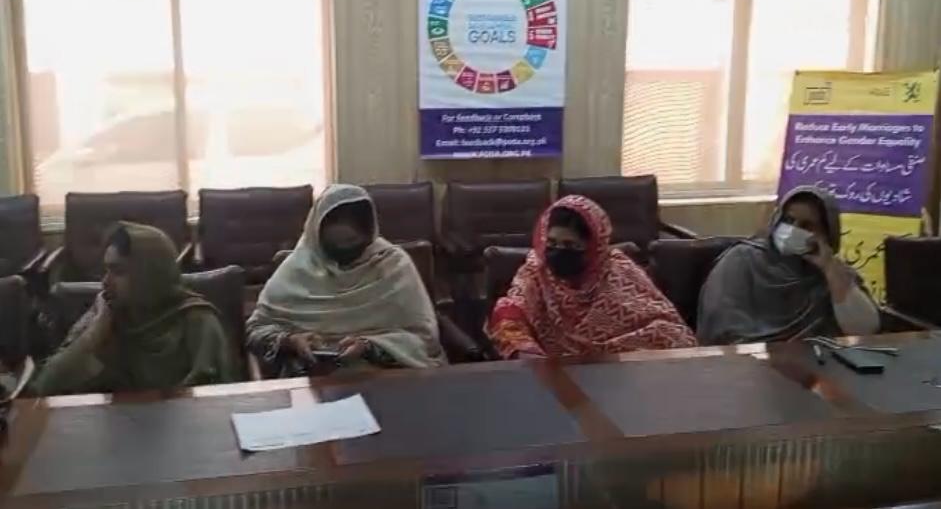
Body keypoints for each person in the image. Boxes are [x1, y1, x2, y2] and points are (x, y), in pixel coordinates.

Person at [246, 184, 444, 377]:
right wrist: (291, 341)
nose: (347, 254)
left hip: (386, 376)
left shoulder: (392, 264)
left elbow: (424, 338)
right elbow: (255, 330)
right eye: (337, 245)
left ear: (369, 232)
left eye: (353, 243)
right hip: (311, 379)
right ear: (317, 232)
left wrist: (370, 346)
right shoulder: (296, 269)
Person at [30, 223, 236, 396]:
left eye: (118, 271)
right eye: (106, 270)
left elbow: (213, 397)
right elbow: (46, 386)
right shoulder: (106, 312)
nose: (105, 282)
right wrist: (96, 333)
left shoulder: (197, 319)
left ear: (151, 273)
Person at [486, 195, 697, 359]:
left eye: (570, 245)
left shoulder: (618, 271)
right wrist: (526, 351)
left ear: (594, 248)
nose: (558, 252)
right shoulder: (537, 270)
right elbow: (509, 312)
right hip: (549, 374)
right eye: (551, 244)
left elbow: (667, 328)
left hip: (615, 374)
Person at [697, 186, 880, 345]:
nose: (792, 230)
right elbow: (723, 329)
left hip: (818, 364)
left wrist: (830, 271)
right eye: (788, 220)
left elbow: (864, 330)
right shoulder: (743, 260)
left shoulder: (833, 272)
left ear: (827, 234)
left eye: (806, 226)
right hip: (751, 363)